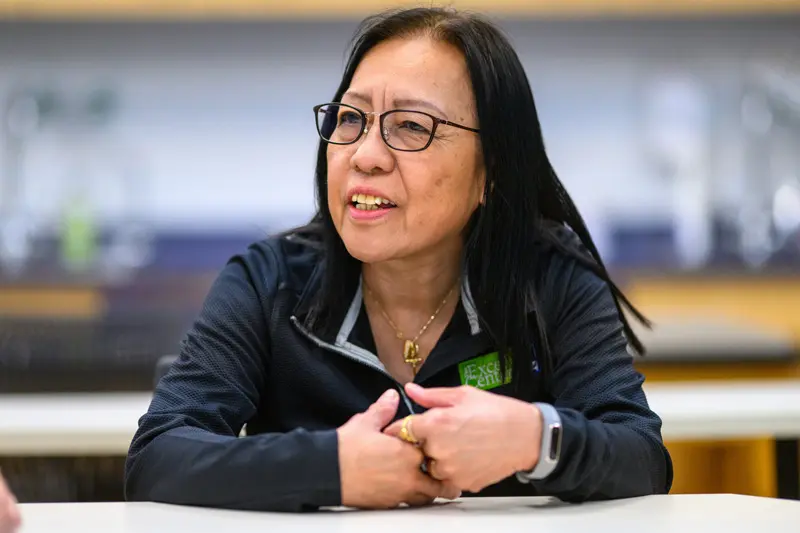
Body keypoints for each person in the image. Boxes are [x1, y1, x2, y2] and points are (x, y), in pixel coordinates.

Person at [125, 7, 673, 511]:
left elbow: (642, 457)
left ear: (492, 172)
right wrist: (332, 469)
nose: (364, 156)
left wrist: (533, 439)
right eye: (350, 119)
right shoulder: (270, 281)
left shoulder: (548, 279)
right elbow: (158, 457)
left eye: (411, 126)